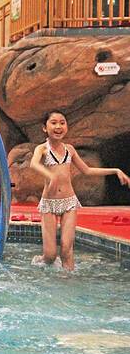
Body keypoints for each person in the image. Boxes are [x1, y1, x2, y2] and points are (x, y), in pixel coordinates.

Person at [29, 110, 130, 270]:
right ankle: (41, 260)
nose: (58, 126)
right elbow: (33, 164)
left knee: (66, 249)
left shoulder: (69, 149)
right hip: (49, 203)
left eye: (62, 123)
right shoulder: (42, 149)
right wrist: (50, 175)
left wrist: (115, 170)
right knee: (50, 255)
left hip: (69, 202)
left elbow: (87, 170)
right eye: (53, 123)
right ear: (44, 128)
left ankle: (69, 280)